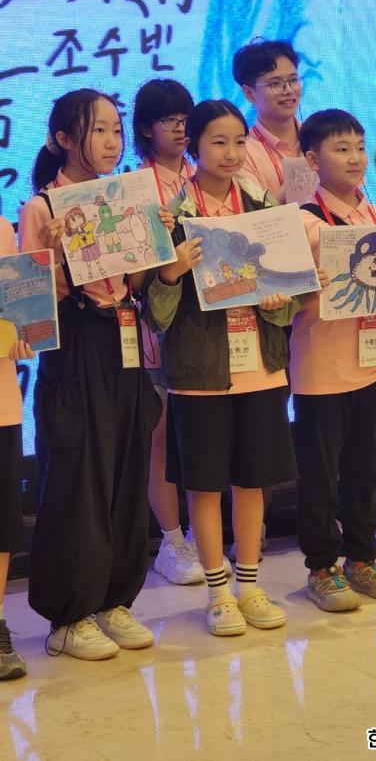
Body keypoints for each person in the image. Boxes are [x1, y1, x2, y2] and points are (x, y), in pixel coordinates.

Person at [143, 99, 299, 636]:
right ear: (193, 146)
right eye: (218, 142)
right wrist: (170, 274)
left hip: (261, 365)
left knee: (253, 481)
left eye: (239, 141)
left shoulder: (263, 208)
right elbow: (156, 316)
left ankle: (250, 586)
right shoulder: (171, 217)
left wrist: (280, 300)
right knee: (206, 485)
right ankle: (217, 592)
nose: (231, 153)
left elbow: (293, 295)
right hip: (199, 373)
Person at [18, 88, 163, 660]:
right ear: (62, 139)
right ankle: (69, 615)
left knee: (127, 467)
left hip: (123, 336)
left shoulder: (124, 197)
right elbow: (30, 311)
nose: (110, 141)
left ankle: (114, 600)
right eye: (96, 130)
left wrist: (153, 243)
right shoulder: (42, 209)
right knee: (78, 474)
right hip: (74, 345)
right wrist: (55, 257)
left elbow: (135, 283)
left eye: (114, 129)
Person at [289, 109, 376, 612]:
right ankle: (321, 567)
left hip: (375, 364)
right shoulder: (302, 222)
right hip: (320, 368)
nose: (355, 157)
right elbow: (286, 295)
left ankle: (362, 559)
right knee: (319, 476)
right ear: (313, 160)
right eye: (341, 149)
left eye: (359, 146)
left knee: (365, 470)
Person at [132, 78, 225, 587]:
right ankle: (171, 539)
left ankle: (202, 533)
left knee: (206, 438)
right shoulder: (133, 186)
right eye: (167, 119)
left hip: (208, 332)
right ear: (146, 128)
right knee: (162, 437)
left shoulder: (205, 176)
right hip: (156, 328)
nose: (179, 127)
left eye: (185, 117)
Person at [0, 217, 34, 680]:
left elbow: (20, 304)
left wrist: (27, 335)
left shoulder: (2, 230)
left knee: (2, 521)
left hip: (2, 403)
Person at [232, 38, 305, 202]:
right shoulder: (242, 152)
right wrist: (306, 172)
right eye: (275, 84)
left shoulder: (320, 137)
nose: (289, 90)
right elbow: (258, 213)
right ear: (249, 93)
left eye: (293, 80)